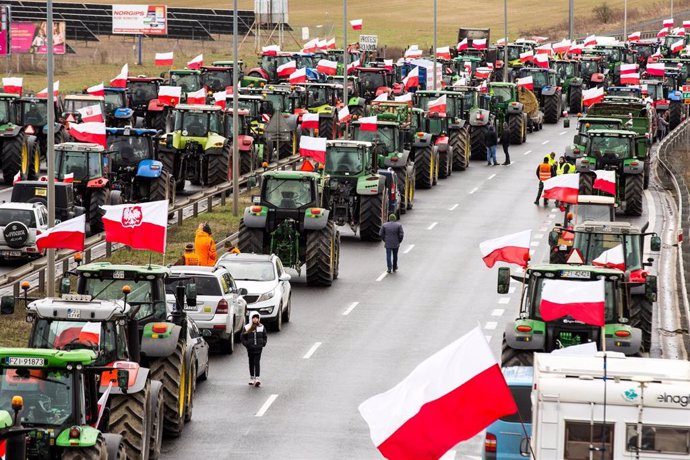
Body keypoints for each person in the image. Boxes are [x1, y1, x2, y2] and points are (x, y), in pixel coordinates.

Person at [241, 313, 267, 387]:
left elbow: (265, 336)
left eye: (257, 318)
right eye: (254, 318)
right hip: (250, 348)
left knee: (257, 362)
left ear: (259, 319)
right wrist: (247, 344)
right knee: (251, 362)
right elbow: (242, 337)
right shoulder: (247, 327)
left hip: (258, 348)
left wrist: (263, 343)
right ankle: (252, 377)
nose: (255, 319)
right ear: (251, 319)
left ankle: (257, 378)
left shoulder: (261, 327)